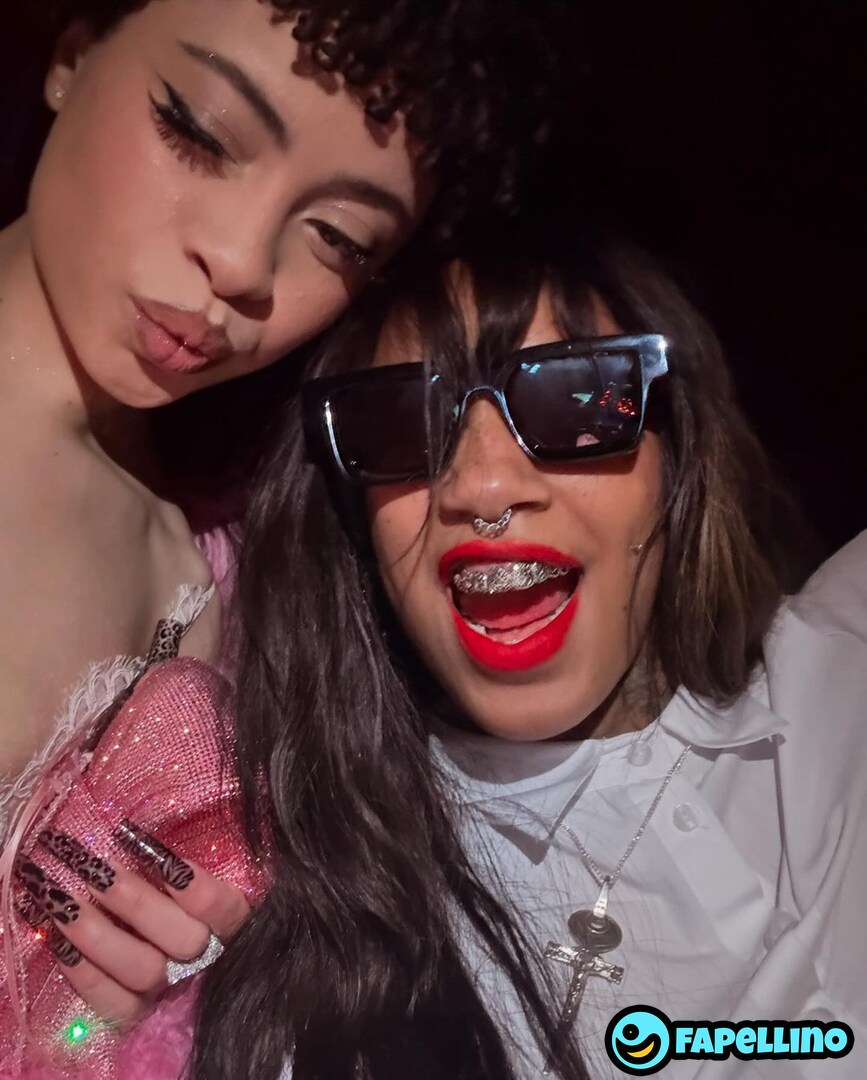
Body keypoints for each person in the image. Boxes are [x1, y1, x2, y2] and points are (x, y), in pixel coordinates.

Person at [0, 0, 565, 1049]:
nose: (240, 263)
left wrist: (113, 1019)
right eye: (199, 131)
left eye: (339, 238)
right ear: (72, 56)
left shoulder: (237, 569)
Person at [195, 234, 867, 1079]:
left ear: (679, 459)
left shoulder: (838, 676)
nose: (481, 486)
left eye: (575, 400)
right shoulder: (304, 912)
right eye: (402, 423)